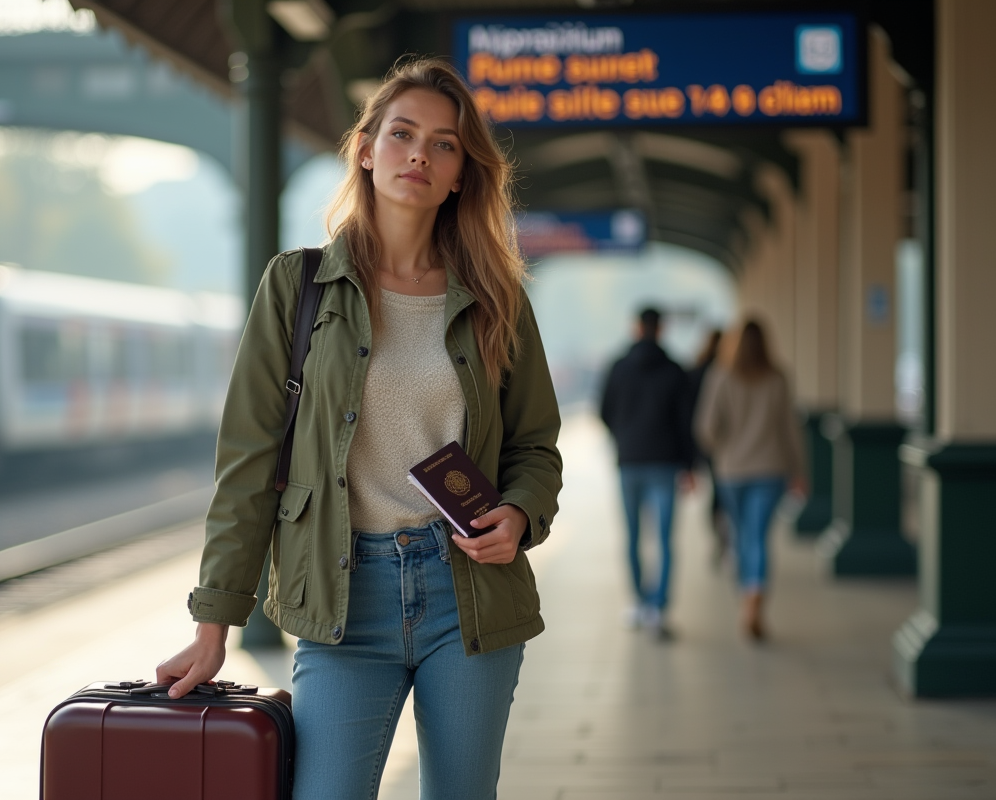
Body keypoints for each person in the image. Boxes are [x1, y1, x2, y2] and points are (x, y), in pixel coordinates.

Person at [156, 59, 563, 800]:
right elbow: (248, 462)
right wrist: (214, 623)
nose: (419, 154)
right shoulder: (297, 285)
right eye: (402, 133)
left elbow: (535, 444)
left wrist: (520, 512)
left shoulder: (499, 299)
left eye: (443, 145)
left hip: (467, 588)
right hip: (343, 599)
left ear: (461, 176)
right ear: (366, 149)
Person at [694, 319, 805, 641]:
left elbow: (706, 428)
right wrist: (799, 470)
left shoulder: (720, 375)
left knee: (742, 534)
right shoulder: (778, 378)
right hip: (771, 469)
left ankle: (747, 592)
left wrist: (722, 449)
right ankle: (754, 598)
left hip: (732, 471)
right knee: (759, 536)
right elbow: (790, 429)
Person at [599, 307, 693, 638]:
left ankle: (638, 601)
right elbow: (686, 423)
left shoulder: (618, 368)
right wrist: (690, 464)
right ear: (661, 329)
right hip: (666, 463)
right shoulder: (676, 370)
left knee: (633, 536)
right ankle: (658, 607)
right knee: (665, 539)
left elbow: (605, 411)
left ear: (637, 328)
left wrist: (624, 438)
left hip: (630, 461)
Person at [686, 329, 729, 566]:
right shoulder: (729, 373)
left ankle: (719, 537)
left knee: (717, 493)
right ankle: (728, 539)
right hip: (727, 446)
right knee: (725, 493)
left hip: (708, 444)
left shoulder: (696, 372)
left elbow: (688, 411)